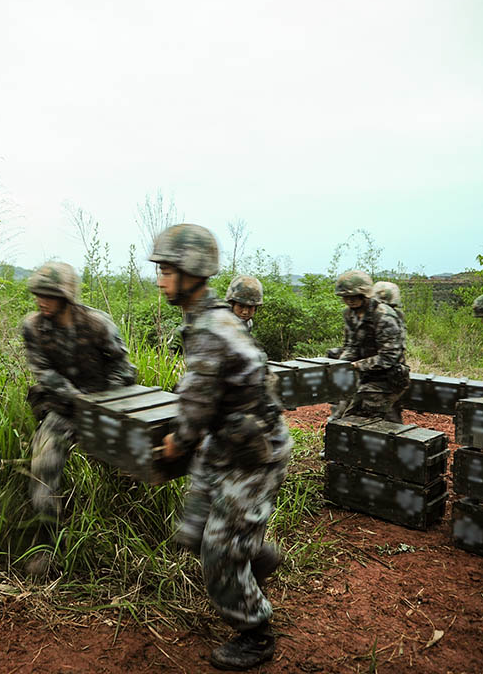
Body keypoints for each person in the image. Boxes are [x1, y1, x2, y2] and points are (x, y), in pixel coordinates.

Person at [153, 224, 291, 671]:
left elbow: (196, 404)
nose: (160, 278)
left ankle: (255, 633)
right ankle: (257, 556)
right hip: (226, 442)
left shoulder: (212, 327)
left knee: (219, 550)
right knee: (194, 531)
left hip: (253, 453)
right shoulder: (204, 320)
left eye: (167, 269)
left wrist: (175, 444)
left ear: (191, 272)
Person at [20, 261, 137, 576]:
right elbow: (43, 371)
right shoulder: (32, 327)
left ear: (66, 295)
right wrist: (75, 399)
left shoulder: (99, 325)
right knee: (42, 469)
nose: (41, 301)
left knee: (135, 467)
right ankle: (48, 546)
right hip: (64, 410)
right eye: (38, 294)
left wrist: (101, 403)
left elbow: (124, 369)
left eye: (49, 294)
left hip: (106, 406)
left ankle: (132, 534)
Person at [332, 270, 409, 422]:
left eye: (354, 296)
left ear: (365, 294)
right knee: (339, 411)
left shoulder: (383, 316)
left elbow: (389, 357)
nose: (350, 301)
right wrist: (339, 364)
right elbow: (351, 345)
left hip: (387, 378)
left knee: (357, 417)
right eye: (346, 297)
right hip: (363, 375)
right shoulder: (349, 314)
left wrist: (355, 365)